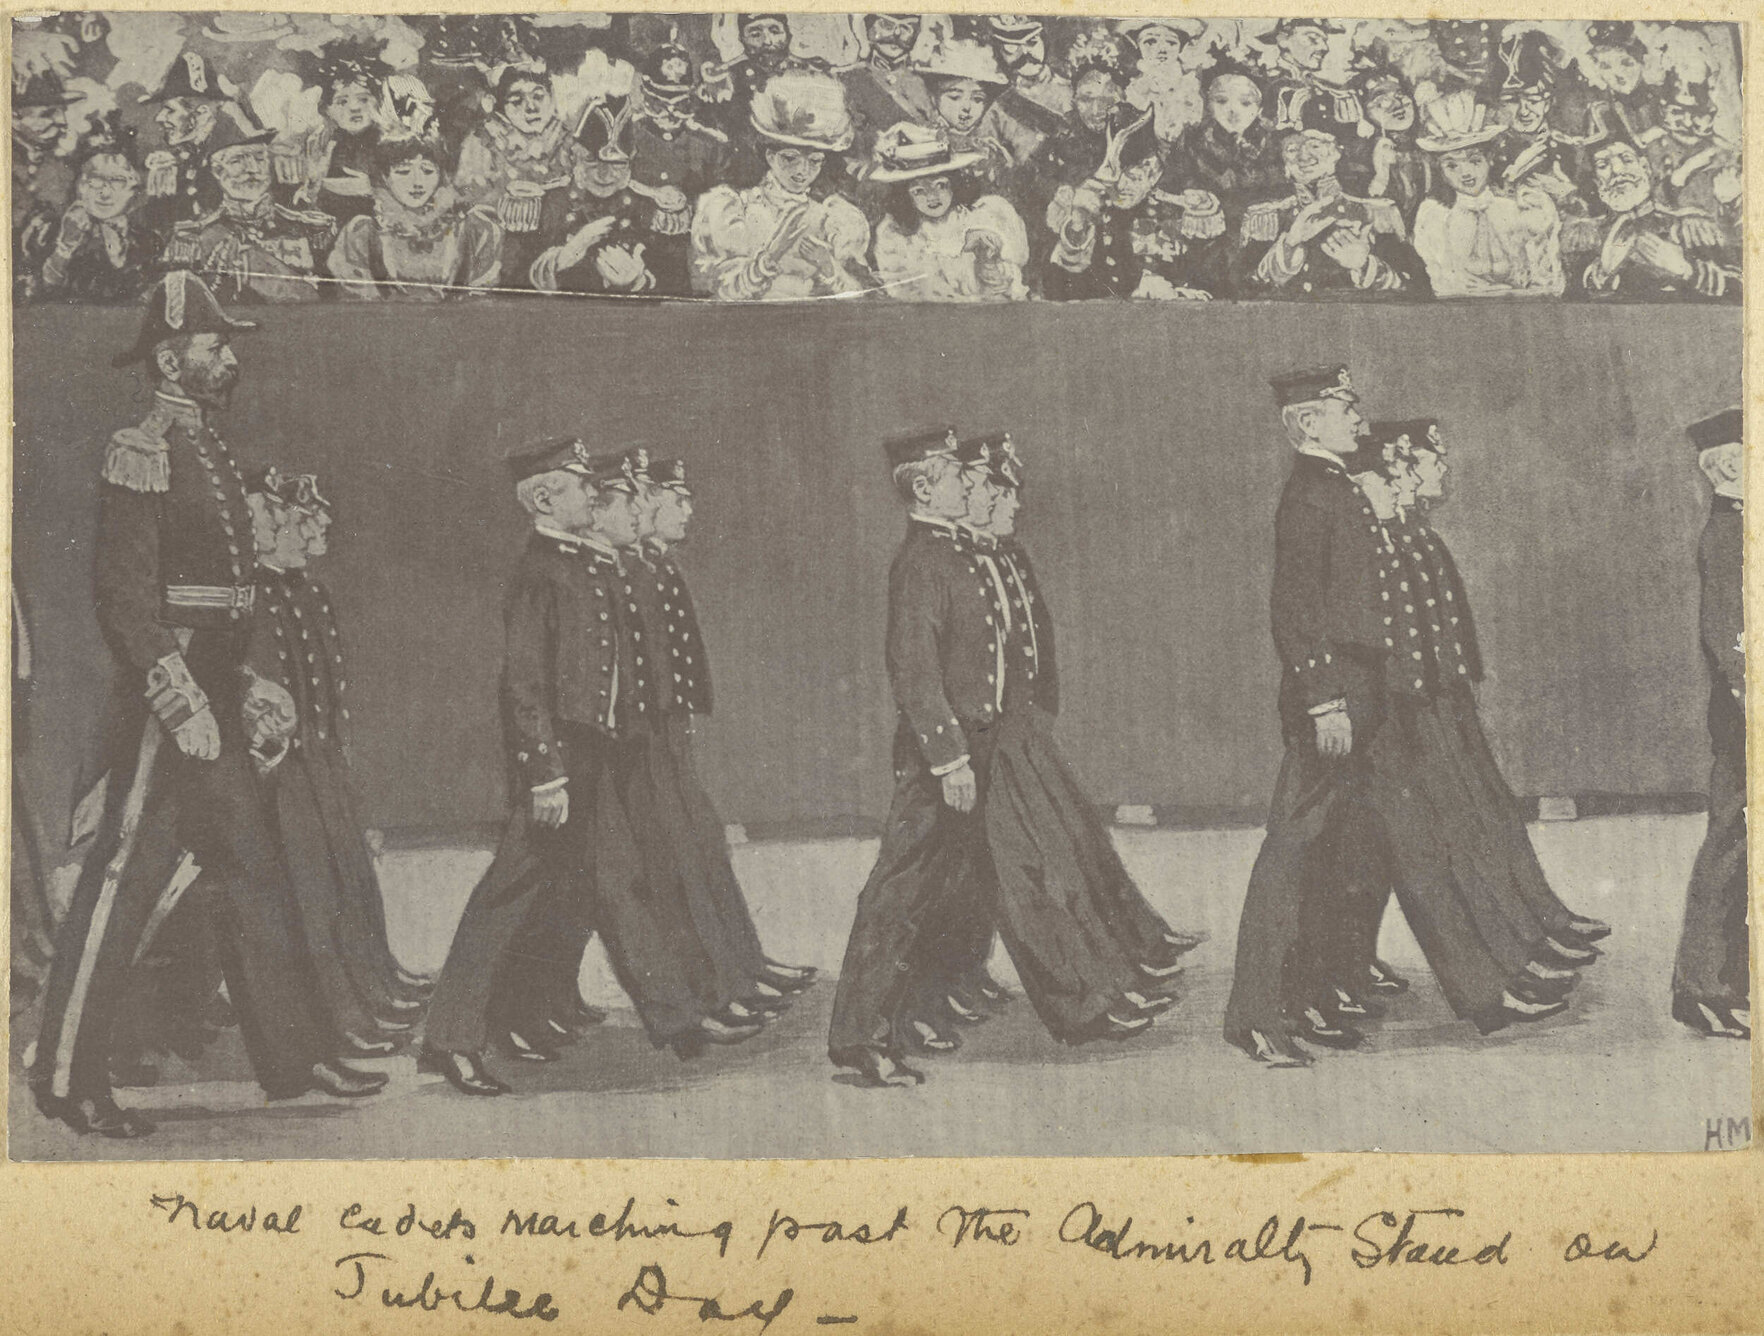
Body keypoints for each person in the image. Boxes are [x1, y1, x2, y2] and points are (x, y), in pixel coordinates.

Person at [29, 273, 387, 1138]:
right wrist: (181, 697)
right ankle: (65, 1072)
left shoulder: (210, 447)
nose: (229, 356)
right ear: (169, 357)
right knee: (123, 878)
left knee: (250, 869)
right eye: (215, 343)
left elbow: (230, 592)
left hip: (217, 676)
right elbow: (124, 597)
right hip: (174, 690)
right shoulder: (143, 446)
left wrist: (245, 679)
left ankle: (294, 1061)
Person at [1221, 367, 1559, 1068]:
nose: (1359, 419)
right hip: (1336, 707)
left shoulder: (1337, 487)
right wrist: (1323, 701)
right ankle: (1256, 1015)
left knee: (1367, 853)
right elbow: (1296, 610)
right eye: (1345, 408)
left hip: (1366, 701)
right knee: (1292, 857)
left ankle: (1322, 996)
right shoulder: (1309, 496)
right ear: (1308, 422)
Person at [421, 441, 755, 1095]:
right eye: (581, 489)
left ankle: (678, 1021)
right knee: (506, 894)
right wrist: (544, 773)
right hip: (558, 766)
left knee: (618, 885)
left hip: (593, 760)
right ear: (545, 499)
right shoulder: (540, 572)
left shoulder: (584, 566)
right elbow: (523, 687)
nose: (593, 499)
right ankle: (448, 1041)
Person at [243, 469, 425, 1054]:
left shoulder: (304, 591)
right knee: (311, 895)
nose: (311, 526)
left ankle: (373, 985)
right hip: (283, 768)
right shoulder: (253, 594)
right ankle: (344, 1015)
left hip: (317, 758)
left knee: (348, 876)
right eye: (294, 517)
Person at [1671, 408, 1749, 1040]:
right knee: (1732, 843)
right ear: (1726, 464)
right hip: (1748, 710)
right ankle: (1701, 988)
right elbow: (1726, 636)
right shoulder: (1726, 534)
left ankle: (1728, 982)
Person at [691, 70, 872, 300]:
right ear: (770, 156)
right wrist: (770, 256)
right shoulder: (735, 208)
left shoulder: (830, 217)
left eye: (814, 161)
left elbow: (861, 297)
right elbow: (721, 291)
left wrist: (829, 266)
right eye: (790, 158)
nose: (802, 171)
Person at [1045, 108, 1228, 301]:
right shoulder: (1097, 206)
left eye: (1134, 177)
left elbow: (1212, 281)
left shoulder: (1183, 209)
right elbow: (1063, 285)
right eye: (1115, 178)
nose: (1122, 186)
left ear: (1155, 173)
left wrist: (1177, 291)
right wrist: (1078, 221)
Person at [1235, 120, 1430, 299]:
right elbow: (1242, 291)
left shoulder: (1377, 213)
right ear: (1283, 160)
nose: (1304, 156)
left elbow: (1417, 291)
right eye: (1292, 149)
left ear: (1336, 152)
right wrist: (1289, 245)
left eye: (1315, 145)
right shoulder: (1265, 218)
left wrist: (1364, 265)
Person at [165, 111, 338, 304]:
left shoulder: (309, 227)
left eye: (259, 158)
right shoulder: (196, 238)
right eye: (237, 160)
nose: (252, 169)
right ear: (217, 170)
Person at [1411, 90, 1564, 298]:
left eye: (1474, 161)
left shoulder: (1523, 206)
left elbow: (1549, 282)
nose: (1465, 173)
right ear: (1440, 170)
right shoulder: (1434, 216)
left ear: (1490, 158)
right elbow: (1443, 285)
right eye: (1452, 165)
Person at [530, 97, 686, 296]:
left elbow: (679, 286)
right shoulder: (547, 202)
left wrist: (638, 280)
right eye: (592, 160)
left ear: (631, 161)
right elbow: (509, 281)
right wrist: (561, 259)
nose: (605, 174)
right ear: (573, 156)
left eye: (618, 163)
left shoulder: (653, 208)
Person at [455, 64, 591, 292]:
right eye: (517, 101)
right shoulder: (485, 141)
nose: (531, 108)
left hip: (559, 249)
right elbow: (466, 198)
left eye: (539, 97)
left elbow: (586, 195)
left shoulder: (566, 141)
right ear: (499, 105)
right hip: (503, 253)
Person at [327, 134, 503, 300]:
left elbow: (482, 303)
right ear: (384, 177)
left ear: (441, 176)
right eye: (403, 172)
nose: (417, 182)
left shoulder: (474, 228)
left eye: (428, 171)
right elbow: (356, 302)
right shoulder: (362, 232)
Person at [870, 122, 1027, 302]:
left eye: (941, 185)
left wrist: (987, 261)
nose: (932, 197)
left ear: (955, 185)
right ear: (905, 196)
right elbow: (909, 292)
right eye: (919, 191)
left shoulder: (979, 218)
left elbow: (1007, 290)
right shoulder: (895, 235)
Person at [1570, 134, 1739, 301]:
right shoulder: (1586, 236)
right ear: (1597, 182)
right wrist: (1602, 273)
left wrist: (1685, 269)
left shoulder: (1690, 226)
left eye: (1627, 160)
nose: (1617, 170)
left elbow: (1741, 287)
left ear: (1645, 168)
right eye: (1603, 165)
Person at [1167, 55, 1283, 239]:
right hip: (1205, 234)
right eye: (1221, 101)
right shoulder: (1192, 140)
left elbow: (1280, 188)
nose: (1233, 110)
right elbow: (1175, 182)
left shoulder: (1270, 144)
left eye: (1245, 103)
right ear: (1208, 104)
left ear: (1260, 109)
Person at [293, 40, 393, 231]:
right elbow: (310, 197)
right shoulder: (323, 144)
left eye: (363, 99)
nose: (354, 108)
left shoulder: (388, 143)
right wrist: (312, 185)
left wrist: (373, 189)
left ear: (378, 102)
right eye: (342, 101)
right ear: (327, 110)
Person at [38, 149, 161, 303]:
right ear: (83, 186)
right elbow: (42, 290)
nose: (104, 193)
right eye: (96, 181)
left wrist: (117, 250)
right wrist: (65, 248)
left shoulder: (147, 239)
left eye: (117, 182)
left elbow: (144, 291)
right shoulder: (58, 228)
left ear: (133, 191)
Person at [136, 53, 232, 236]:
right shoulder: (183, 159)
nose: (159, 117)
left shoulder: (228, 157)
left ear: (202, 114)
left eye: (169, 109)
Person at [1641, 73, 1740, 240]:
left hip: (1714, 233)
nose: (1687, 122)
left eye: (1696, 112)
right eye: (1678, 111)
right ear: (1661, 108)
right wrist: (1688, 168)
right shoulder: (1653, 143)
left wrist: (1731, 198)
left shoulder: (1720, 150)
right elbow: (1656, 197)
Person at [11, 68, 80, 302]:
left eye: (62, 112)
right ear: (13, 117)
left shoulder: (63, 170)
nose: (62, 122)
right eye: (49, 112)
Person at [917, 38, 1017, 193]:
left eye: (978, 99)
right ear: (933, 98)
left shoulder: (990, 148)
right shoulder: (922, 139)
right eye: (955, 97)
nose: (966, 108)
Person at [1339, 61, 1428, 230]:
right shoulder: (1358, 159)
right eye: (1382, 99)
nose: (1397, 104)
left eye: (1400, 94)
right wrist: (1381, 175)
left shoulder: (1426, 145)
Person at [839, 13, 934, 164]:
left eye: (905, 28)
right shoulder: (851, 78)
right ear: (867, 28)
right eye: (887, 25)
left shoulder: (919, 82)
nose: (896, 35)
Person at [1115, 17, 1208, 154]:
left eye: (1171, 43)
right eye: (1151, 42)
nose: (1162, 49)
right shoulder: (1135, 89)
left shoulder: (1189, 87)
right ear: (1138, 46)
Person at [1256, 18, 1359, 135]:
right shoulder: (1261, 85)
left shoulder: (1325, 91)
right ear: (1283, 40)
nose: (1324, 48)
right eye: (1313, 39)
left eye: (1324, 41)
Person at [1583, 21, 1659, 143]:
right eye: (1605, 67)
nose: (1618, 74)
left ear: (1643, 63)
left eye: (1626, 63)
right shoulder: (1603, 108)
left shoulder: (1660, 98)